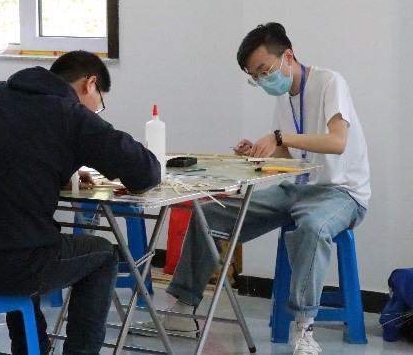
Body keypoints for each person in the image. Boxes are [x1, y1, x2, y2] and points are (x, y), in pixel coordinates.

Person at [137, 23, 370, 355]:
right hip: (298, 188)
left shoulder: (330, 82)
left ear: (287, 55)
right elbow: (292, 155)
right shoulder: (284, 97)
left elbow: (337, 142)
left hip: (342, 192)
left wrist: (278, 138)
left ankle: (304, 327)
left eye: (265, 71)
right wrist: (261, 151)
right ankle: (183, 311)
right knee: (208, 212)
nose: (263, 80)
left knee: (313, 227)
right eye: (256, 77)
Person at [0, 50, 161, 355]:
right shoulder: (70, 114)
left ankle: (32, 349)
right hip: (6, 263)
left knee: (23, 237)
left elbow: (4, 158)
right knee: (102, 255)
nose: (96, 110)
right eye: (99, 101)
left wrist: (58, 170)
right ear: (90, 84)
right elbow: (144, 172)